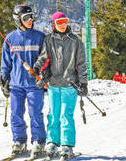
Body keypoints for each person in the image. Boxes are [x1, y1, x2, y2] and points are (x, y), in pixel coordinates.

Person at [33, 12, 88, 159]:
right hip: (53, 84)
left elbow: (82, 63)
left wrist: (83, 82)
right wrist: (38, 67)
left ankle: (67, 145)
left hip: (70, 84)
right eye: (60, 22)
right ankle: (52, 142)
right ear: (54, 24)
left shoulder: (75, 41)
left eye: (65, 21)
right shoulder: (49, 40)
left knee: (65, 115)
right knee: (53, 115)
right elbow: (43, 57)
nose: (63, 25)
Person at [0, 4, 46, 159]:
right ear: (18, 20)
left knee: (35, 113)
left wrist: (44, 76)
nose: (30, 20)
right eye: (26, 18)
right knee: (16, 114)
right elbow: (6, 63)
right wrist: (4, 80)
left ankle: (38, 141)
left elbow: (47, 59)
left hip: (34, 84)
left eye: (31, 16)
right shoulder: (10, 39)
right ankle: (19, 141)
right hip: (16, 85)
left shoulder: (40, 37)